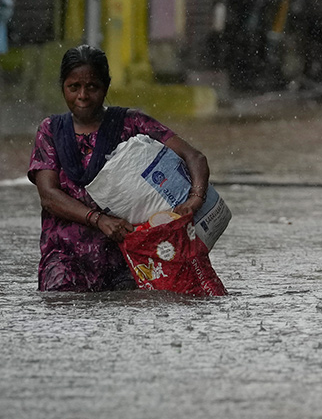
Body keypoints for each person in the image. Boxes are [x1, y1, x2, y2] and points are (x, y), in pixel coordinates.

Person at [29, 45, 210, 292]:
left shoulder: (131, 123)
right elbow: (48, 196)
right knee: (63, 309)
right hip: (65, 256)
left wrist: (195, 199)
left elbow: (194, 156)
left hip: (127, 258)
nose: (82, 96)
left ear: (106, 87)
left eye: (92, 87)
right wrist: (98, 219)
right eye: (74, 87)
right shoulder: (50, 130)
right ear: (63, 87)